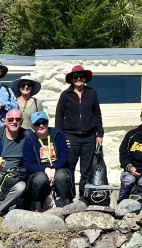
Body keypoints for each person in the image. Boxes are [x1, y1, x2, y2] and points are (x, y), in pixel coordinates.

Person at [55, 64, 104, 198]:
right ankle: (68, 196)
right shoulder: (65, 95)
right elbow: (59, 116)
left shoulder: (91, 93)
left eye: (81, 76)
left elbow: (97, 114)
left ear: (85, 78)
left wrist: (100, 134)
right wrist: (60, 137)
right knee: (69, 167)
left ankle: (84, 197)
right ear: (72, 79)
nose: (78, 79)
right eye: (75, 77)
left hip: (89, 137)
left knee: (86, 169)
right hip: (71, 136)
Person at [23, 111, 74, 211]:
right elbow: (27, 164)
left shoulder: (58, 134)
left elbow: (65, 155)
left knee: (62, 176)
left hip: (58, 166)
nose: (41, 125)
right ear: (33, 126)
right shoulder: (29, 140)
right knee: (40, 179)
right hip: (39, 169)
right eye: (37, 124)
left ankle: (66, 205)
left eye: (44, 122)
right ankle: (37, 206)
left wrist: (54, 168)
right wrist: (45, 169)